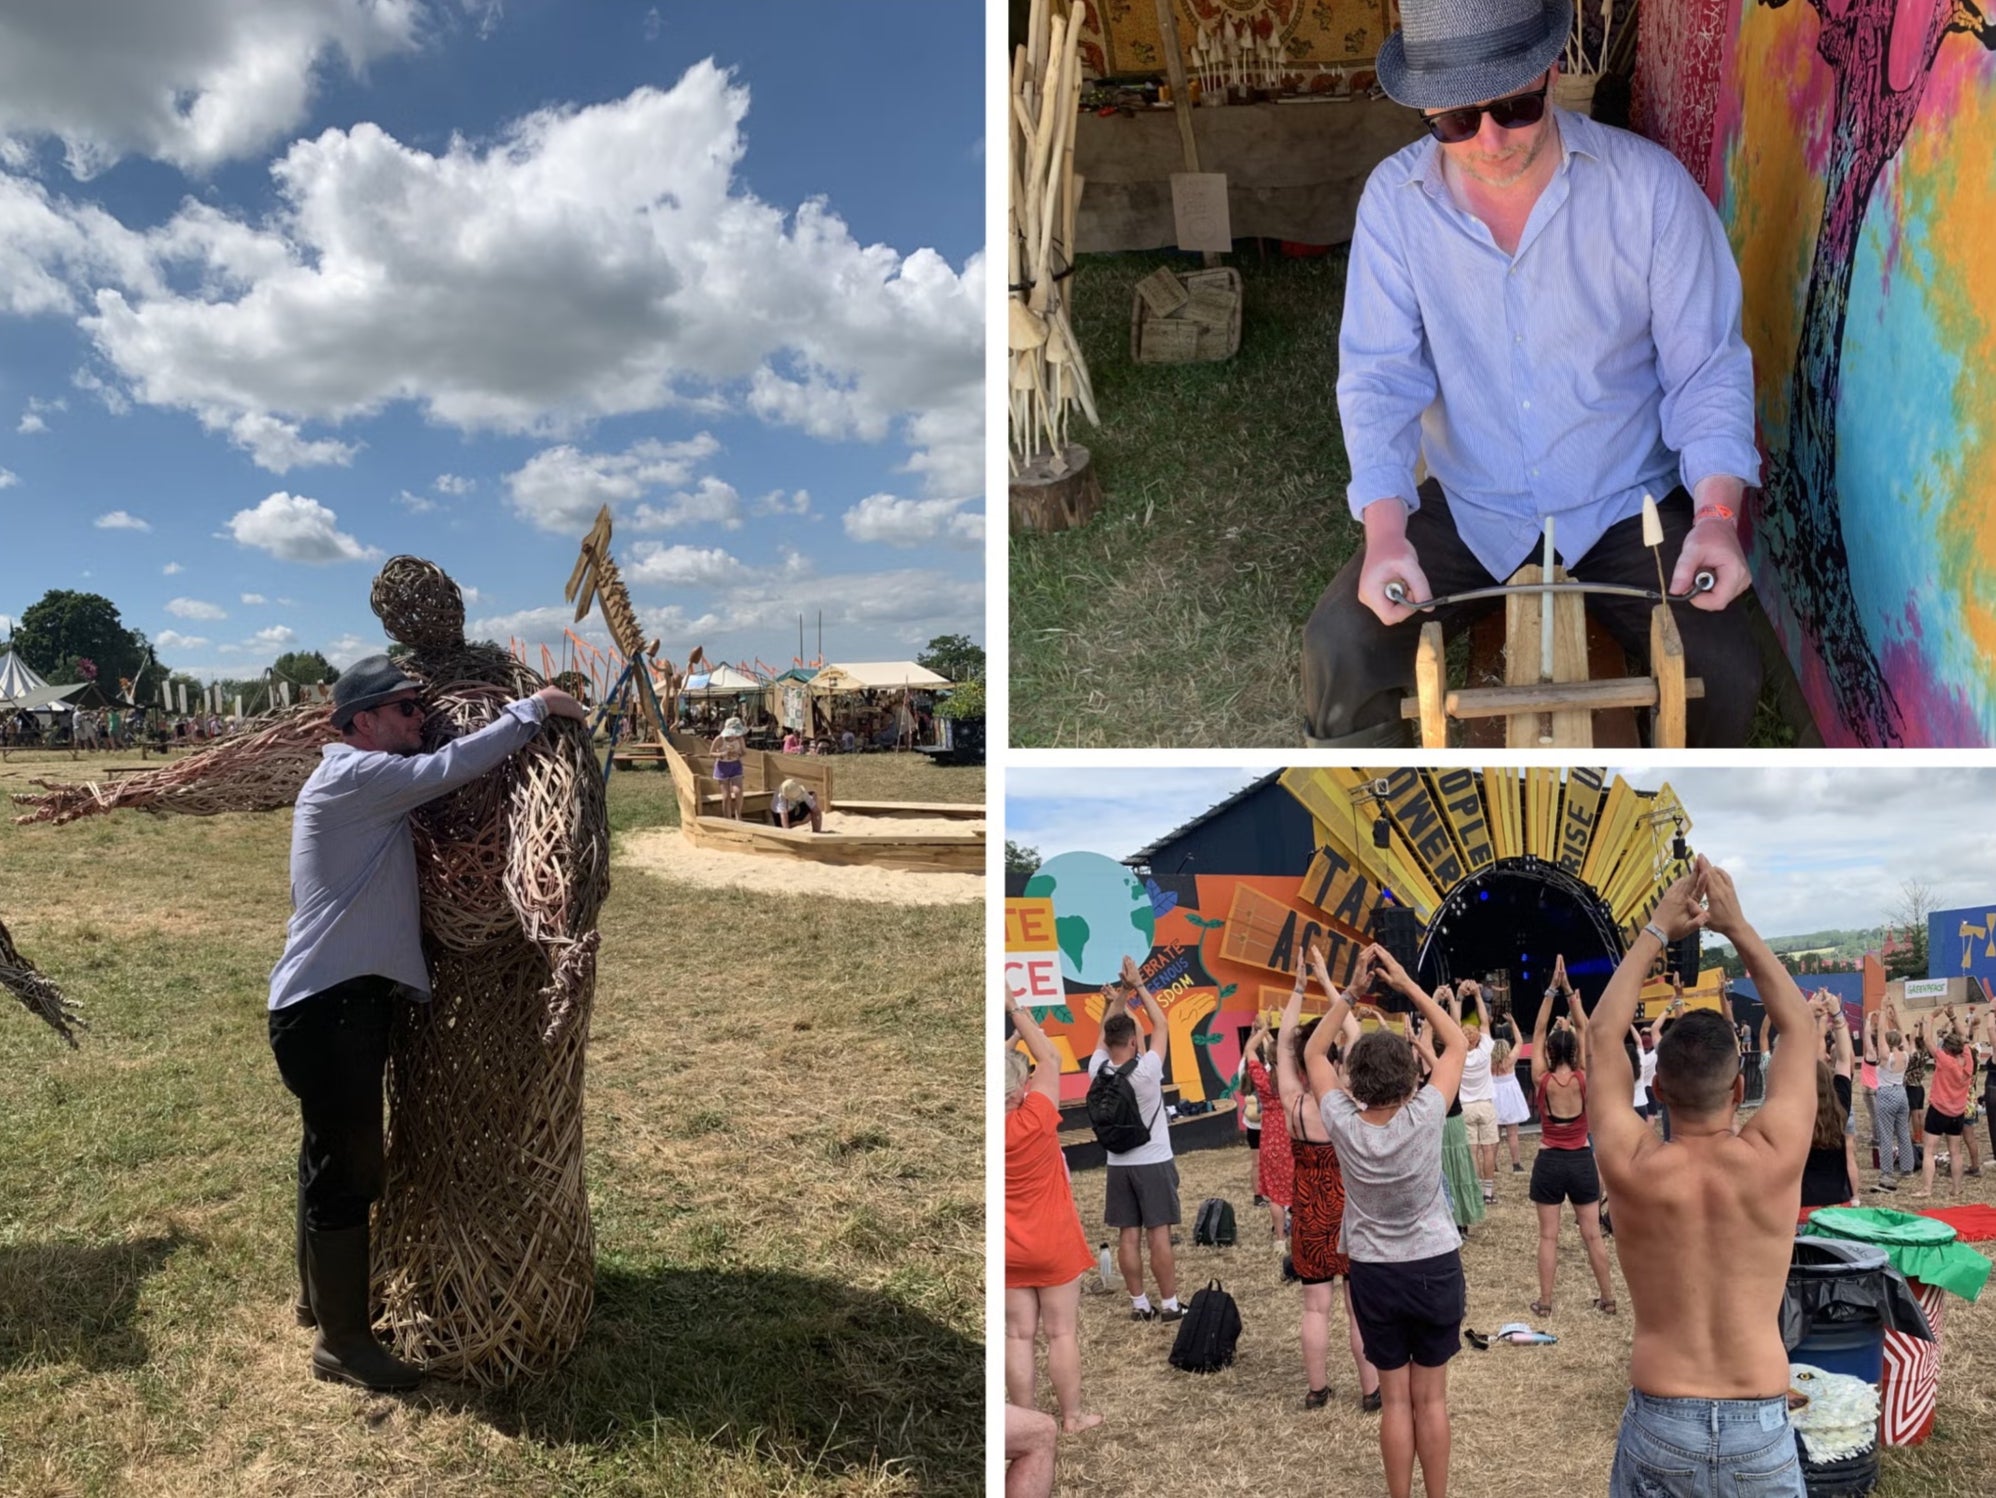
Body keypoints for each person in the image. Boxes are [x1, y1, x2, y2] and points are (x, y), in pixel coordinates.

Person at [1301, 0, 1761, 748]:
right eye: (1456, 123)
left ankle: (1653, 816)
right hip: (1472, 498)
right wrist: (1385, 531)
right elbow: (1379, 378)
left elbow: (1706, 370)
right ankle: (1398, 825)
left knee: (1725, 669)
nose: (1489, 141)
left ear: (1548, 72)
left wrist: (1714, 518)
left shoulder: (1648, 188)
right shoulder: (1395, 202)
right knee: (1342, 650)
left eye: (1515, 107)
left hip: (1622, 500)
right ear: (1424, 108)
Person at [266, 655, 588, 1391]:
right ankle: (344, 1347)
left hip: (336, 1004)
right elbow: (452, 767)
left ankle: (318, 1304)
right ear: (362, 723)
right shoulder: (355, 775)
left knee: (329, 1153)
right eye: (405, 709)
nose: (419, 719)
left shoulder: (353, 781)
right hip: (331, 1006)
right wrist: (534, 709)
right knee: (348, 1169)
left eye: (418, 706)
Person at [1586, 857, 1813, 1498]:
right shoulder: (1772, 1157)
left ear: (1655, 1091)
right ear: (1741, 1087)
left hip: (1663, 1421)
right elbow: (1798, 1028)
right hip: (1760, 1424)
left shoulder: (1633, 1168)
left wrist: (1657, 928)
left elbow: (1603, 1034)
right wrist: (1736, 927)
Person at [1317, 943, 1467, 1498]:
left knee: (1396, 1402)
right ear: (1411, 1078)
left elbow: (1312, 1051)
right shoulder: (1427, 1114)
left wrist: (1352, 991)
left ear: (1351, 1081)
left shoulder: (1341, 1120)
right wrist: (1406, 984)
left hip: (1375, 1273)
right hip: (1433, 1266)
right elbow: (1454, 1042)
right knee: (1432, 1400)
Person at [1281, 947, 1381, 1413]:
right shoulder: (1346, 1100)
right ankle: (1371, 1390)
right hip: (1349, 1209)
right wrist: (1330, 982)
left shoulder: (1293, 1102)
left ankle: (1317, 1390)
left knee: (1313, 1307)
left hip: (1307, 1208)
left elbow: (1286, 1043)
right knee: (1357, 1308)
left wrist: (1300, 988)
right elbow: (1356, 1033)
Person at [1003, 987, 1103, 1435]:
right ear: (1021, 1087)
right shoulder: (1036, 1114)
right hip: (1054, 1243)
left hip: (1008, 1249)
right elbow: (1049, 1058)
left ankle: (1023, 1422)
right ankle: (1072, 1418)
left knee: (1017, 1337)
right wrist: (1012, 1007)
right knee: (1061, 1334)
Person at [1086, 956, 1184, 1323]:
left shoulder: (1097, 1069)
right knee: (1159, 1234)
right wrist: (1138, 986)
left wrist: (1121, 995)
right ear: (1132, 1041)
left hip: (1117, 1163)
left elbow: (1106, 1029)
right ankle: (1171, 1305)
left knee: (1129, 1234)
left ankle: (1139, 1304)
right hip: (1153, 1161)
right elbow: (1162, 1024)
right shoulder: (1146, 1072)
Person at [1526, 960, 1616, 1317]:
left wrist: (1550, 989)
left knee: (1548, 1237)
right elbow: (1586, 1028)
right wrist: (1569, 994)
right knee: (1592, 1234)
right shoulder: (1584, 1077)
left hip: (1549, 1161)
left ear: (1549, 1052)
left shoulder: (1541, 1080)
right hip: (1580, 1161)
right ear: (1575, 1052)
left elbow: (1536, 1031)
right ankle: (1608, 1299)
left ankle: (1545, 1303)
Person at [1800, 997, 1860, 1210]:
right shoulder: (1840, 1105)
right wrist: (1837, 1015)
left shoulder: (1797, 1111)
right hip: (1837, 1205)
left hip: (1802, 1205)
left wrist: (1807, 1017)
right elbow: (1844, 1059)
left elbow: (1798, 1058)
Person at [1241, 1010, 1295, 1243]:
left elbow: (1249, 1050)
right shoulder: (1294, 1078)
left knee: (1274, 1194)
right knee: (1296, 1188)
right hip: (1292, 1133)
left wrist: (1263, 1030)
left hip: (1270, 1136)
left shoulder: (1263, 1079)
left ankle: (1280, 1240)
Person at [1453, 979, 1501, 1203]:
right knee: (1489, 1149)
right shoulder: (1484, 1052)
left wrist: (1459, 998)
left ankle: (1473, 1192)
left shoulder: (1458, 1055)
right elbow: (1484, 1022)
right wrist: (1479, 997)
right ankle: (1488, 1192)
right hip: (1485, 1104)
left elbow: (1452, 1026)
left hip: (1466, 1106)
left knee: (1471, 1150)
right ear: (1477, 1040)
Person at [1917, 1010, 1973, 1198]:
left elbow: (1926, 1039)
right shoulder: (1968, 1060)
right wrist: (1953, 1017)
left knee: (1929, 1150)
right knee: (1955, 1152)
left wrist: (1931, 1018)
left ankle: (1926, 1189)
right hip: (1957, 1112)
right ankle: (1956, 1189)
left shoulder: (1945, 1060)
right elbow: (1964, 1037)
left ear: (1947, 1049)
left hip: (1939, 1110)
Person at [1864, 1005, 1914, 1191]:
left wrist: (1881, 1015)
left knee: (1886, 1135)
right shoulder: (1906, 1056)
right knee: (1903, 1132)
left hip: (1886, 1093)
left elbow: (1879, 1040)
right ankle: (1907, 1168)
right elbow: (1903, 1036)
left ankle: (1887, 1171)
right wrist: (1896, 1016)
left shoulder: (1886, 1058)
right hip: (1901, 1092)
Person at [709, 716, 747, 819]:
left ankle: (738, 814)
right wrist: (722, 754)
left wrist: (738, 754)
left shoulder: (739, 739)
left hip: (735, 765)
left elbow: (744, 752)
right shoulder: (720, 739)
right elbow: (711, 753)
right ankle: (727, 818)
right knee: (726, 796)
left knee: (738, 791)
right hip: (722, 766)